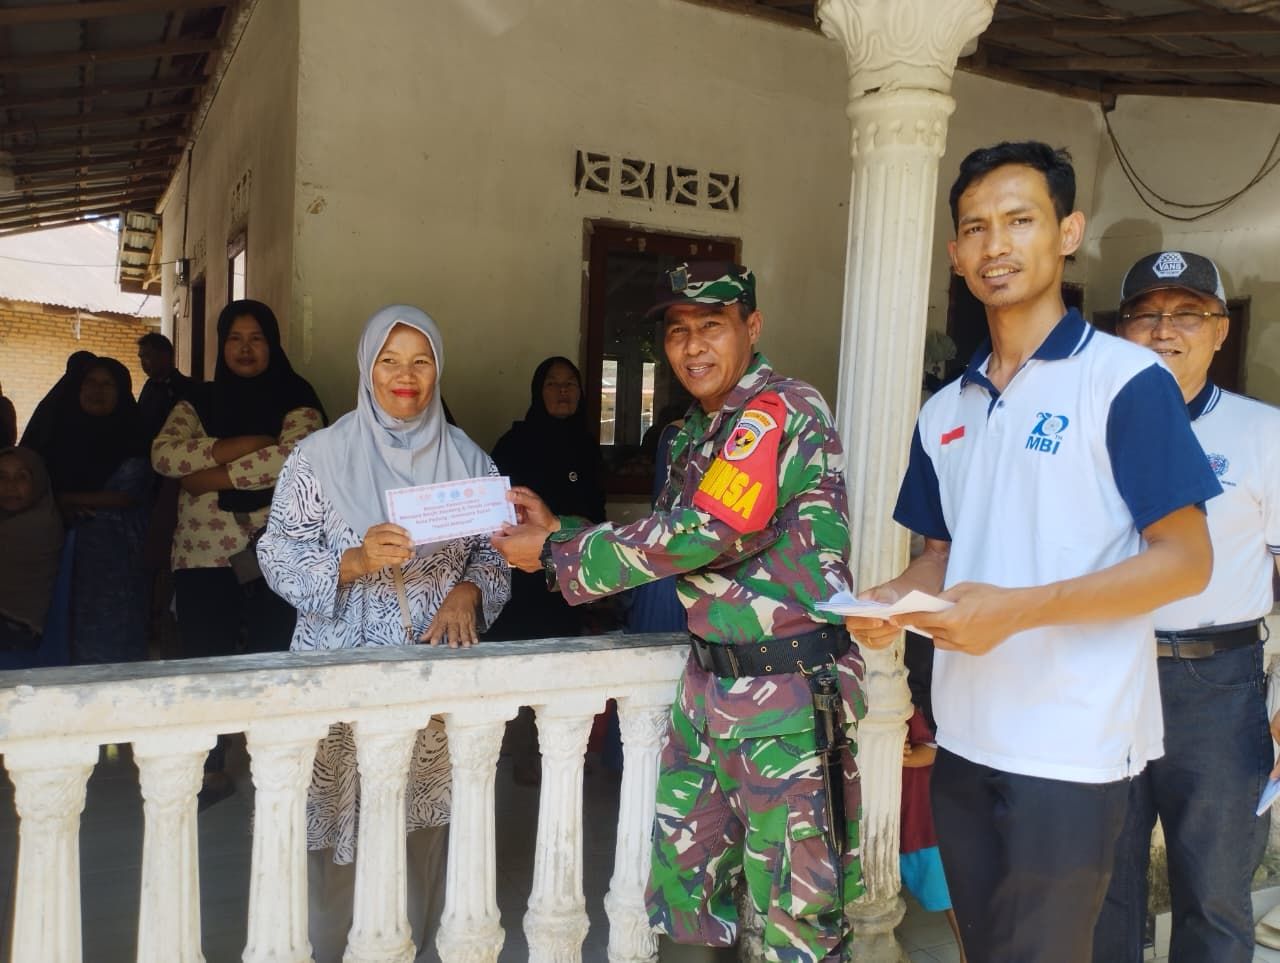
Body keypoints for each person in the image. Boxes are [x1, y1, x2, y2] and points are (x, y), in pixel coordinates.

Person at [844, 142, 1222, 963]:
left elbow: (1187, 559)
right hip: (965, 737)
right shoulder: (946, 408)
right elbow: (942, 553)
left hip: (1072, 745)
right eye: (976, 228)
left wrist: (1018, 610)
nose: (996, 245)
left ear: (1067, 233)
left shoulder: (1125, 382)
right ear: (955, 253)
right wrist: (894, 598)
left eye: (1020, 220)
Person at [492, 261, 863, 962]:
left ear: (752, 327)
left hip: (783, 698)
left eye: (711, 325)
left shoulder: (779, 409)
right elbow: (668, 537)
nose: (692, 346)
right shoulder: (696, 431)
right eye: (677, 331)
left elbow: (704, 533)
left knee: (798, 920)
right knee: (687, 897)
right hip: (708, 691)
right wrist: (560, 530)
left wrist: (557, 553)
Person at [257, 304, 510, 962]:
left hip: (430, 683)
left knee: (418, 833)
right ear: (367, 370)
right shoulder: (317, 458)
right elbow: (276, 554)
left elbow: (496, 553)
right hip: (339, 678)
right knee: (336, 835)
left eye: (421, 361)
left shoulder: (470, 461)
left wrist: (469, 591)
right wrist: (352, 560)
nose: (406, 376)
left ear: (438, 371)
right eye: (389, 361)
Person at [1091, 251, 1280, 963]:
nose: (1165, 329)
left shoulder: (1264, 433)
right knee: (1102, 888)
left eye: (1188, 314)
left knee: (1215, 894)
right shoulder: (1091, 428)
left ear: (1221, 329)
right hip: (1104, 670)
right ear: (1121, 330)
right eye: (1145, 314)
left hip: (1216, 685)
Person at [152, 299, 325, 660]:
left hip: (278, 554)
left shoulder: (296, 395)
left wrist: (210, 478)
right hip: (201, 557)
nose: (245, 348)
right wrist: (247, 444)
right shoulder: (198, 399)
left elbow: (296, 458)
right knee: (206, 665)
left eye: (256, 338)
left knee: (272, 662)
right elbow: (164, 455)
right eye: (234, 338)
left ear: (272, 343)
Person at [26, 356, 151, 664]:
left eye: (108, 384)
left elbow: (129, 495)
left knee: (111, 640)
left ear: (122, 391)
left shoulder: (134, 434)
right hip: (54, 551)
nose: (98, 390)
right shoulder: (55, 436)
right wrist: (62, 503)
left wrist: (65, 499)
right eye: (90, 383)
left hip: (116, 558)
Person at [487, 356, 605, 641]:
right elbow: (497, 513)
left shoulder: (588, 446)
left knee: (564, 642)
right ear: (538, 392)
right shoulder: (514, 444)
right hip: (522, 573)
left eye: (570, 384)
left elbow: (597, 508)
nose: (563, 391)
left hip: (573, 568)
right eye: (552, 384)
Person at [0, 446, 63, 651]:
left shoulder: (35, 525)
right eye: (2, 477)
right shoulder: (22, 516)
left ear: (38, 482)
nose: (10, 486)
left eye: (21, 477)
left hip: (14, 629)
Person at [136, 331, 195, 442]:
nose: (143, 363)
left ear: (165, 356)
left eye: (147, 356)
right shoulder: (150, 385)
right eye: (141, 357)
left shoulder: (186, 387)